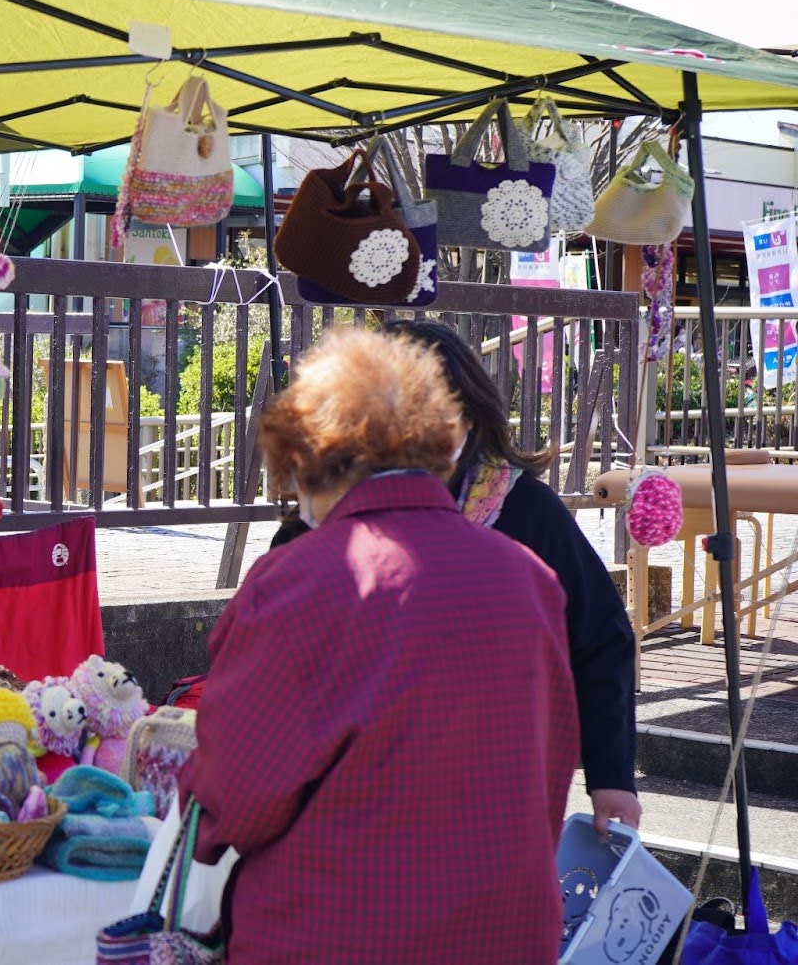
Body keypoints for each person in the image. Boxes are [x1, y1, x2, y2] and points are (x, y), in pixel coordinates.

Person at [181, 329, 578, 964]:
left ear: (305, 457)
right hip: (509, 932)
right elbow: (549, 772)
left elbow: (232, 797)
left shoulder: (294, 582)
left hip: (339, 934)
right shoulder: (529, 578)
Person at [381, 317, 640, 836]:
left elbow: (600, 636)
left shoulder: (523, 508)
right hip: (368, 778)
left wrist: (611, 775)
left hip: (496, 774)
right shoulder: (329, 510)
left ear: (470, 415)